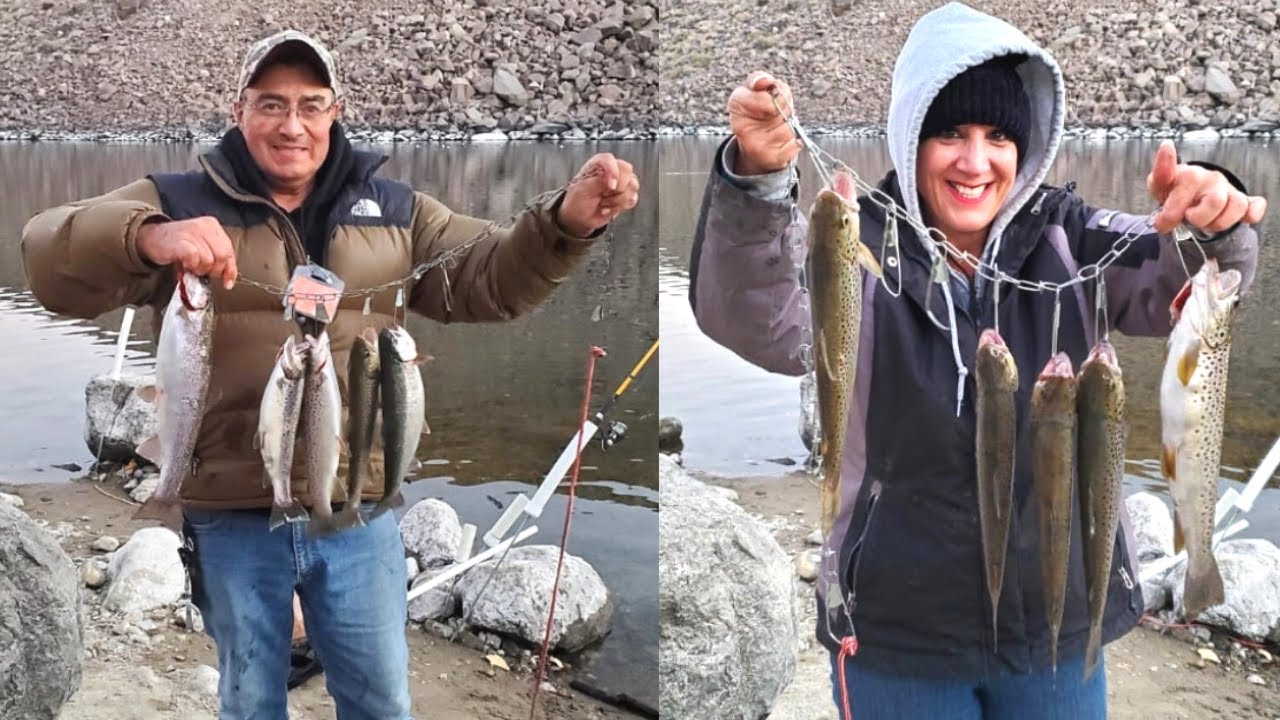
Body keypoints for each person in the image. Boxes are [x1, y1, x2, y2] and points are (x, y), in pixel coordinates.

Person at [21, 29, 639, 720]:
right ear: (239, 109)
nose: (293, 125)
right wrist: (146, 234)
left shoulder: (398, 210)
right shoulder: (175, 197)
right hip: (230, 516)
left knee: (380, 699)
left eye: (311, 105)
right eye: (271, 104)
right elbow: (48, 255)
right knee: (250, 699)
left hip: (358, 514)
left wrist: (564, 224)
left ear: (336, 110)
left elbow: (489, 279)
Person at [688, 3, 1264, 718]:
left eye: (997, 136)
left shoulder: (1073, 237)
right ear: (909, 138)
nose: (975, 160)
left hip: (1059, 624)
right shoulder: (862, 249)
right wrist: (756, 186)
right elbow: (752, 319)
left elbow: (1185, 280)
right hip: (900, 629)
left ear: (1026, 146)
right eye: (950, 133)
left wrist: (1215, 219)